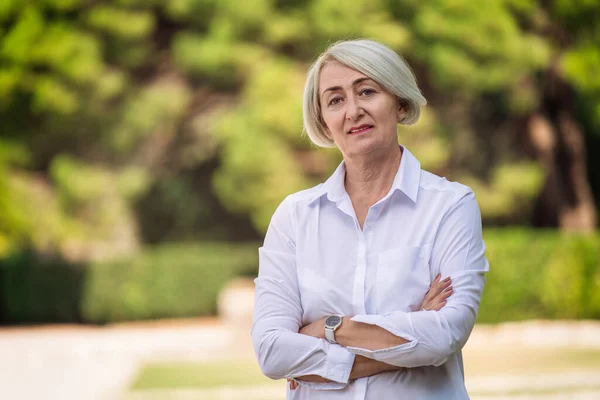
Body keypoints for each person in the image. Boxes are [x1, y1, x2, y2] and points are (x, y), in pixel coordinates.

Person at [251, 39, 489, 399]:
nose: (353, 110)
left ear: (400, 101)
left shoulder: (451, 205)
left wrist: (328, 329)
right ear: (323, 120)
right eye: (335, 100)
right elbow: (271, 351)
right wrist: (409, 342)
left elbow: (446, 333)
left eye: (366, 91)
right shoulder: (294, 216)